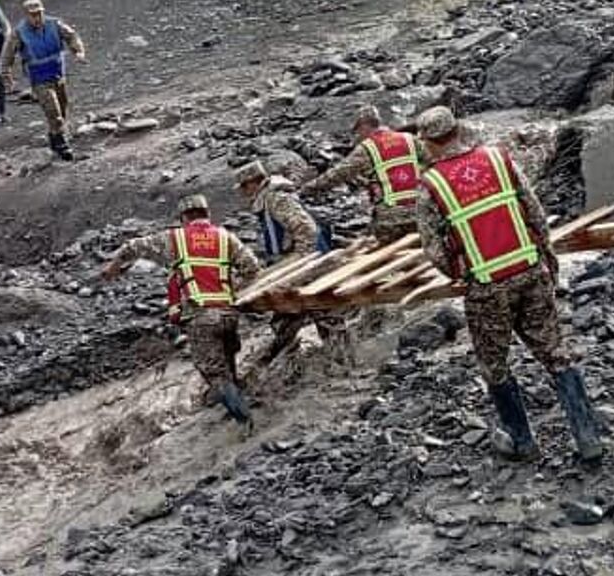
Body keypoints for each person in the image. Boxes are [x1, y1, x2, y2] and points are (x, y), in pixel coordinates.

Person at [412, 106, 601, 461]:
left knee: (495, 364)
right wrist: (547, 259)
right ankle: (588, 437)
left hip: (486, 287)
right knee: (555, 353)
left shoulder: (431, 184)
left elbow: (433, 250)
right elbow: (535, 213)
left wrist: (460, 273)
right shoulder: (498, 160)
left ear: (429, 143)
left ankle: (522, 441)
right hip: (529, 271)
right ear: (458, 130)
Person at [101, 195, 264, 426]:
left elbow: (134, 246)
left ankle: (246, 423)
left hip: (200, 317)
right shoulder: (226, 237)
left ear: (184, 217)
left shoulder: (176, 238)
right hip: (229, 313)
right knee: (227, 363)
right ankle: (233, 404)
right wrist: (232, 288)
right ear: (207, 213)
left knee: (215, 373)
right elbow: (252, 268)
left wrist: (112, 268)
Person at [236, 161, 350, 369]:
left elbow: (305, 227)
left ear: (252, 183)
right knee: (287, 317)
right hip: (294, 264)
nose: (244, 193)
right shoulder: (269, 198)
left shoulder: (276, 198)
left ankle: (342, 365)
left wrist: (304, 261)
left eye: (244, 187)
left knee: (323, 312)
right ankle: (290, 365)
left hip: (307, 266)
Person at [303, 105, 424, 243]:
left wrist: (307, 189)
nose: (358, 135)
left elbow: (338, 174)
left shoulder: (367, 147)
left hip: (390, 217)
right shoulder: (410, 139)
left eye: (358, 130)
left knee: (383, 247)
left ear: (365, 125)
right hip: (421, 210)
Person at [0, 0, 86, 160]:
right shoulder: (19, 33)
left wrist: (78, 51)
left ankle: (54, 136)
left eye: (39, 14)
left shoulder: (55, 24)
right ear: (26, 16)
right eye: (32, 15)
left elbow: (72, 36)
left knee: (62, 107)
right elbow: (7, 56)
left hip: (58, 75)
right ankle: (62, 144)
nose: (37, 18)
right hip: (39, 79)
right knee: (53, 111)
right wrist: (7, 77)